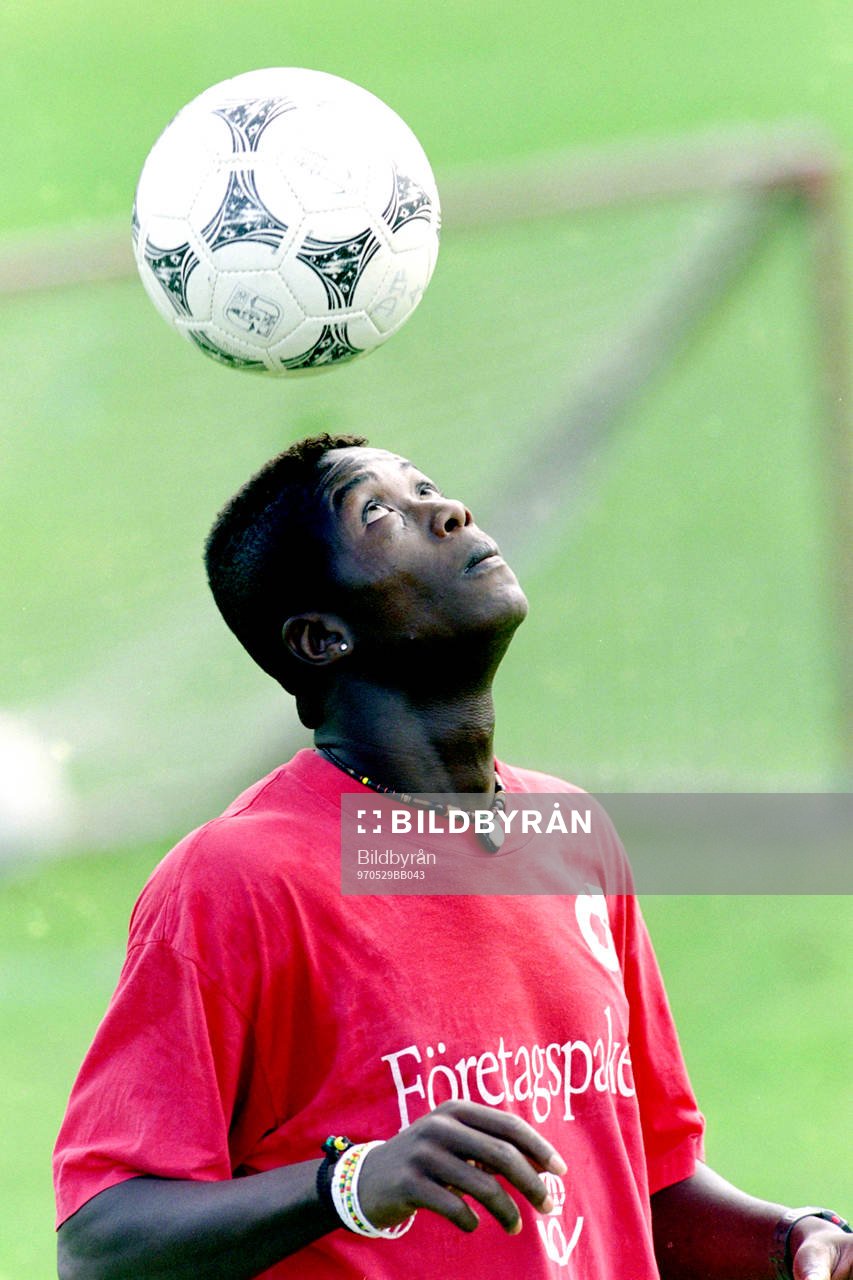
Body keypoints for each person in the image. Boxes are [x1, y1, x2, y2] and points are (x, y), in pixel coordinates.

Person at [54, 434, 850, 1280]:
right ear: (322, 639)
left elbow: (642, 1185)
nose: (449, 511)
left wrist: (789, 1237)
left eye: (428, 487)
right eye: (379, 513)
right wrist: (351, 1184)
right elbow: (101, 1243)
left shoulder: (567, 831)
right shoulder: (238, 879)